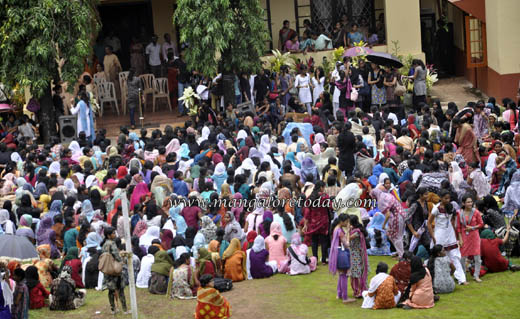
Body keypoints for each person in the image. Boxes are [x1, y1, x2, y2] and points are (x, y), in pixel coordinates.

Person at [428, 190, 467, 285]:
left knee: (454, 255)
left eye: (449, 198)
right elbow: (429, 223)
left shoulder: (451, 207)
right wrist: (433, 237)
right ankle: (436, 277)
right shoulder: (436, 208)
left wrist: (456, 235)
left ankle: (462, 279)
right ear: (440, 197)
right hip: (439, 235)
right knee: (438, 257)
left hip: (450, 234)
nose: (447, 200)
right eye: (445, 198)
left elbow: (453, 221)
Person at [456, 194, 484, 282]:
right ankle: (463, 275)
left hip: (474, 236)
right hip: (464, 236)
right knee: (463, 257)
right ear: (463, 203)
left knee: (477, 257)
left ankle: (476, 275)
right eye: (468, 202)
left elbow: (481, 224)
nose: (470, 203)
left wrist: (472, 228)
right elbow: (458, 228)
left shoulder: (475, 212)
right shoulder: (459, 213)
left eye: (471, 202)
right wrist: (460, 239)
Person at [328, 214, 355, 303]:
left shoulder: (336, 229)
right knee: (344, 275)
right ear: (341, 221)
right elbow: (346, 244)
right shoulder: (340, 231)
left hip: (337, 253)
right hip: (342, 254)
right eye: (346, 221)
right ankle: (345, 297)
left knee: (341, 274)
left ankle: (339, 294)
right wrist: (348, 233)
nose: (347, 223)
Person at [102, 227, 128, 314]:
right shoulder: (112, 243)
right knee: (120, 289)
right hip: (114, 269)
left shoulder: (104, 244)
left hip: (107, 269)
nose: (115, 234)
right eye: (113, 233)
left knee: (111, 290)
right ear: (108, 235)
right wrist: (122, 261)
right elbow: (116, 256)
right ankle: (125, 309)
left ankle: (113, 309)